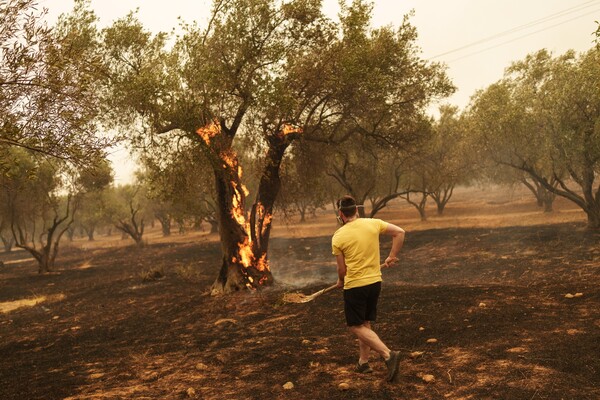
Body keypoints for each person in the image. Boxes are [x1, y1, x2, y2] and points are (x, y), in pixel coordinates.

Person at [331, 195, 406, 382]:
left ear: (340, 213)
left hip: (356, 285)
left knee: (355, 326)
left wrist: (341, 280)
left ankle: (388, 355)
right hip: (374, 283)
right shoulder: (373, 223)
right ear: (356, 210)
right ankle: (363, 363)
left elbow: (342, 269)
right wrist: (391, 256)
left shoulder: (338, 236)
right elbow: (400, 232)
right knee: (365, 323)